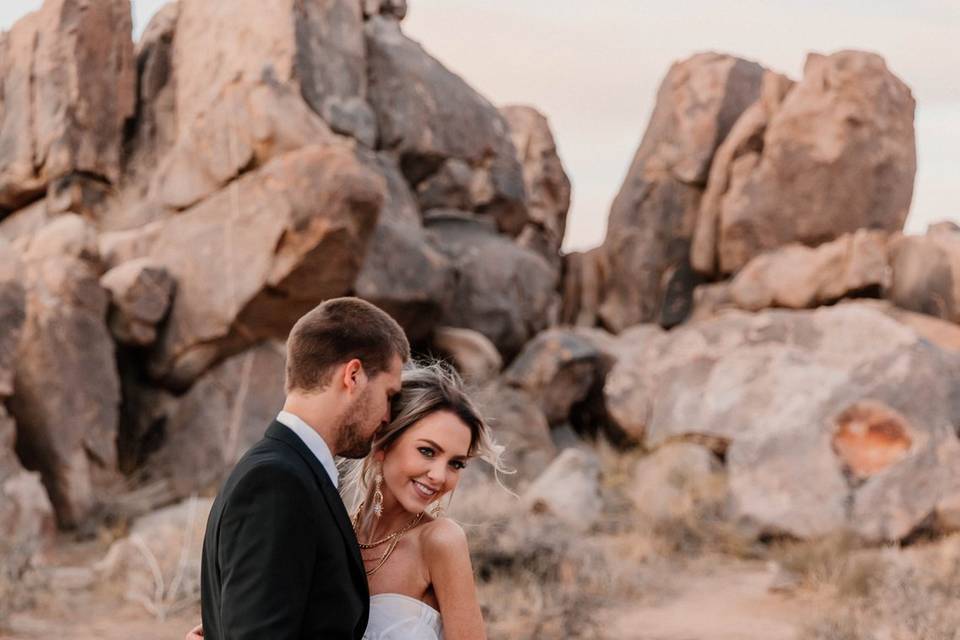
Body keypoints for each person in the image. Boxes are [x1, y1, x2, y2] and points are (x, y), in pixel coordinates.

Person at [188, 361, 506, 640]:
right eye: (427, 451)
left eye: (456, 463)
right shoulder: (333, 529)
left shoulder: (441, 542)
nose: (439, 475)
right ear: (383, 442)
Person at [196, 297, 409, 640]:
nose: (387, 416)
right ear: (353, 375)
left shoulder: (295, 472)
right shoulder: (276, 483)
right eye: (389, 394)